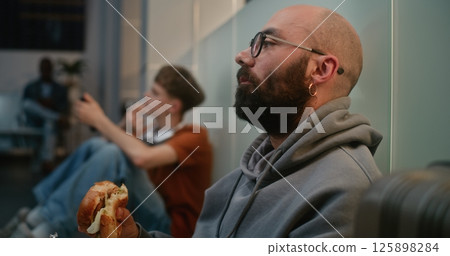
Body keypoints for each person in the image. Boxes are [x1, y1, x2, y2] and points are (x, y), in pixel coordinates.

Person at [97, 5, 383, 238]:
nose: (241, 56)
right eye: (252, 44)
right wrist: (138, 239)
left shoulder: (345, 193)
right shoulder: (249, 170)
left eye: (267, 43)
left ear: (321, 69)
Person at [3, 65, 212, 238]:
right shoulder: (152, 132)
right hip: (145, 207)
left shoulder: (194, 136)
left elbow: (142, 158)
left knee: (113, 153)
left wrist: (100, 121)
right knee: (98, 146)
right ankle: (37, 217)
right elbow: (102, 149)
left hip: (171, 229)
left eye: (155, 93)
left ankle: (42, 226)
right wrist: (124, 125)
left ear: (174, 106)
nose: (146, 95)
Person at [22, 57, 69, 169]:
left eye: (48, 68)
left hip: (50, 122)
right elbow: (26, 106)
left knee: (49, 123)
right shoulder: (31, 86)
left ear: (51, 69)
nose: (46, 71)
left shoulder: (60, 88)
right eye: (43, 68)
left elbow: (64, 106)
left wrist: (52, 104)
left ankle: (47, 161)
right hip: (34, 121)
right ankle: (56, 117)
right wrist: (40, 103)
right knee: (27, 104)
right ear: (40, 69)